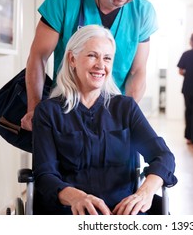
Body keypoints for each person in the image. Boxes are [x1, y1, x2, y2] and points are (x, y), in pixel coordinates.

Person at [32, 25, 177, 215]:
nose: (101, 65)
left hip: (122, 213)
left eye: (107, 58)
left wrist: (145, 192)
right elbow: (45, 175)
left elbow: (163, 156)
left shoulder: (125, 108)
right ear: (72, 59)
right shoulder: (48, 112)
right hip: (70, 211)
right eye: (92, 55)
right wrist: (77, 197)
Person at [21, 0, 158, 131]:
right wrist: (35, 109)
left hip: (114, 115)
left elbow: (137, 71)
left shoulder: (143, 12)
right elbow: (38, 57)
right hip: (67, 110)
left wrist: (125, 115)